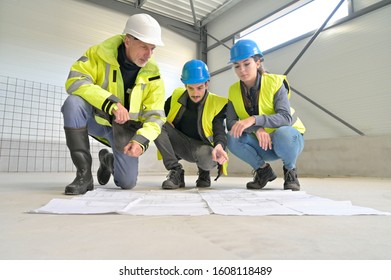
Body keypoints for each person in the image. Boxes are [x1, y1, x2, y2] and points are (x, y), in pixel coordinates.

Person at [61, 13, 166, 195]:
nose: (148, 54)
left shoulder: (153, 74)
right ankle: (84, 176)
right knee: (73, 103)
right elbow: (75, 80)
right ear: (127, 41)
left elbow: (155, 116)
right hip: (98, 121)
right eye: (143, 47)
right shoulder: (98, 54)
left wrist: (141, 141)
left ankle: (108, 161)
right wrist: (110, 103)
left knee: (127, 183)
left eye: (152, 48)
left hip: (124, 130)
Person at [226, 39, 305, 191]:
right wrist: (257, 128)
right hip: (262, 144)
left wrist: (254, 119)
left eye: (246, 64)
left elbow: (285, 118)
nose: (242, 70)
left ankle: (290, 171)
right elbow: (230, 122)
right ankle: (263, 171)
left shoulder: (275, 82)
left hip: (289, 141)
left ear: (258, 62)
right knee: (232, 136)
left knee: (283, 133)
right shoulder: (233, 90)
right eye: (237, 66)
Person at [154, 59, 229, 189]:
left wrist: (219, 145)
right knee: (156, 123)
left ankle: (204, 172)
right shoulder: (176, 96)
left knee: (206, 157)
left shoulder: (217, 103)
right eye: (191, 88)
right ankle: (176, 171)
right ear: (185, 86)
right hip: (180, 144)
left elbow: (219, 130)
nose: (195, 93)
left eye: (199, 88)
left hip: (203, 150)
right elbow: (158, 112)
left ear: (207, 84)